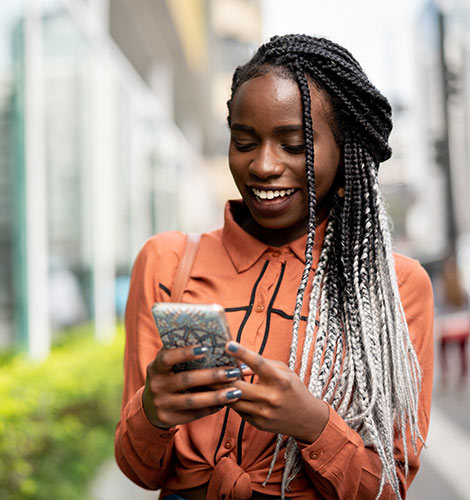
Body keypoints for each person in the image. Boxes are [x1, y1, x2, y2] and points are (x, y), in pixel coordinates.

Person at [115, 35, 434, 500]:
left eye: (293, 145)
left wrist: (314, 425)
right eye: (244, 141)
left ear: (345, 151)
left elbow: (387, 489)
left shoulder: (393, 287)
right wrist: (153, 413)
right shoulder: (165, 261)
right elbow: (139, 470)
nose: (263, 165)